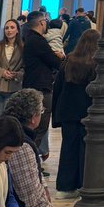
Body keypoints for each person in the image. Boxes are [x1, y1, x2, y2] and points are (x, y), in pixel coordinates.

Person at [51, 29, 97, 199]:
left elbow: (58, 87)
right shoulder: (96, 63)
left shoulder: (69, 60)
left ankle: (65, 187)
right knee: (86, 149)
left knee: (68, 148)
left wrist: (56, 114)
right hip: (88, 112)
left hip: (68, 111)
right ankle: (84, 184)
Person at [20, 11, 62, 158]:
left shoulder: (30, 38)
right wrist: (61, 57)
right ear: (42, 23)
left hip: (33, 83)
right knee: (38, 126)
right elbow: (55, 62)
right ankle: (29, 158)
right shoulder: (38, 41)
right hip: (40, 87)